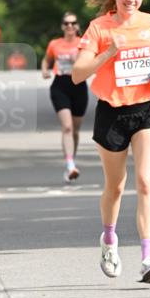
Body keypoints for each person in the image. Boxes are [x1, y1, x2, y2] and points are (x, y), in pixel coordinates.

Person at [71, 0, 150, 284]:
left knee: (145, 181)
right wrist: (109, 52)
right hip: (112, 111)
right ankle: (109, 240)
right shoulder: (99, 28)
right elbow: (78, 74)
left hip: (147, 107)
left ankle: (148, 259)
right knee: (116, 186)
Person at [42, 14, 88, 183]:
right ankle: (70, 165)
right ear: (62, 26)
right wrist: (45, 70)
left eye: (73, 23)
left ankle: (71, 160)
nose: (70, 26)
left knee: (75, 130)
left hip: (79, 86)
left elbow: (90, 62)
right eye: (66, 23)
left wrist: (80, 61)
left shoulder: (84, 43)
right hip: (60, 86)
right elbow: (46, 60)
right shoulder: (55, 44)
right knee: (67, 127)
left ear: (77, 26)